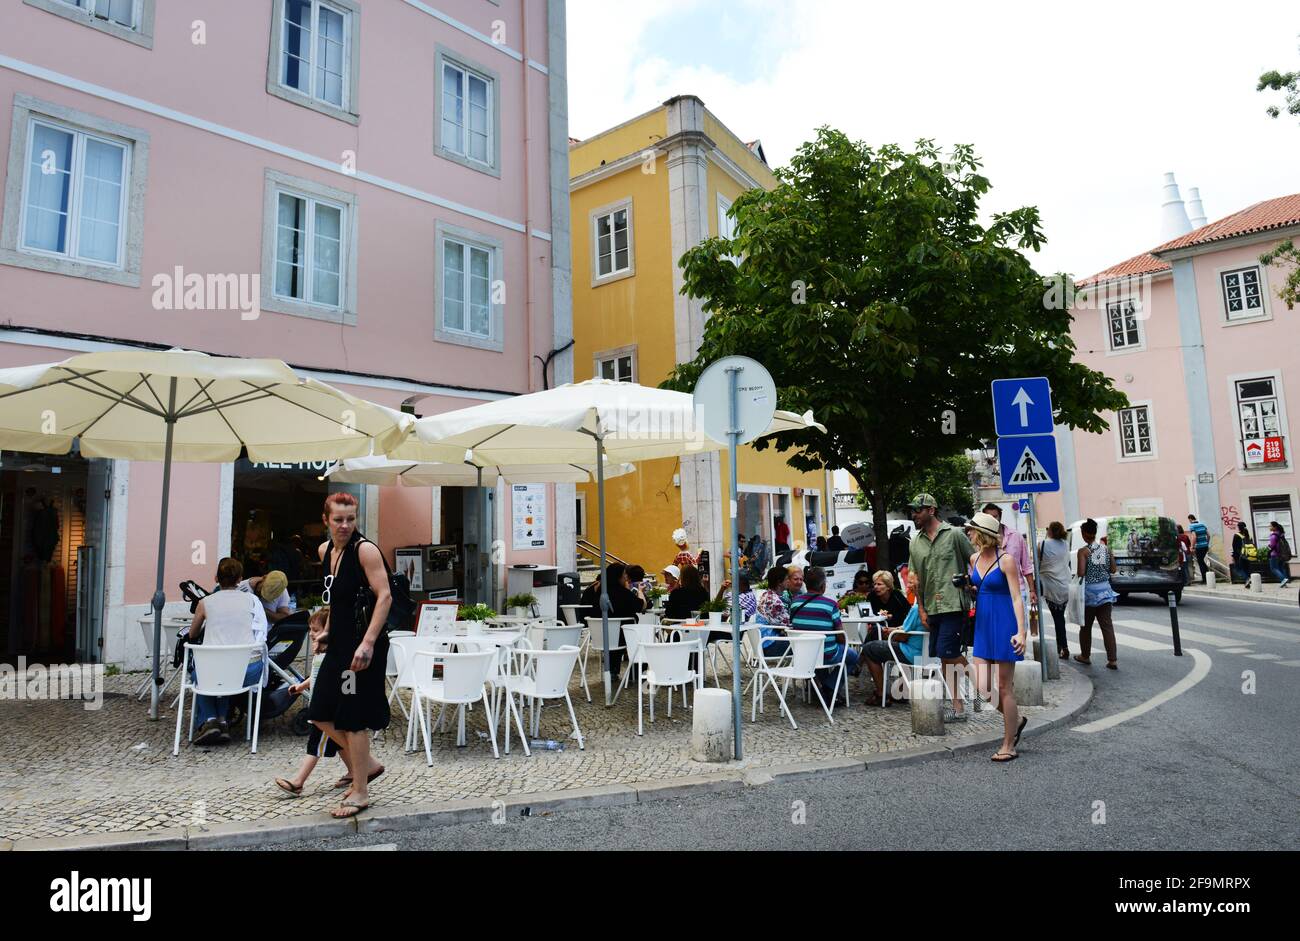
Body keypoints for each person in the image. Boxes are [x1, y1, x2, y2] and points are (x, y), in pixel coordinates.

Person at [310, 493, 391, 820]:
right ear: (326, 520)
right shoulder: (325, 551)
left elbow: (383, 597)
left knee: (352, 716)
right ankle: (367, 766)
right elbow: (339, 601)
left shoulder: (365, 550)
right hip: (340, 645)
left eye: (351, 519)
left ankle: (360, 792)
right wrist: (328, 629)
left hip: (362, 650)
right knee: (319, 712)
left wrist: (368, 643)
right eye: (338, 519)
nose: (345, 526)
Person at [274, 609, 362, 796]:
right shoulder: (320, 654)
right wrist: (300, 687)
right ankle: (356, 771)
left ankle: (298, 783)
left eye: (316, 630)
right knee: (339, 744)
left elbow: (345, 682)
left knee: (315, 746)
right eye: (310, 629)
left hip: (325, 712)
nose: (311, 633)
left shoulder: (332, 656)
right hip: (321, 707)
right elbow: (315, 677)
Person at [965, 512, 1028, 762]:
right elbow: (980, 588)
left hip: (1004, 625)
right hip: (982, 625)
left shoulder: (1007, 561)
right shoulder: (973, 558)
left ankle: (1008, 743)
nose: (968, 533)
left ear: (983, 534)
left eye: (971, 529)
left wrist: (1021, 631)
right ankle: (1018, 720)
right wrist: (969, 588)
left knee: (1004, 688)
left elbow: (1016, 597)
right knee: (982, 687)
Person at [186, 557, 269, 746]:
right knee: (224, 671)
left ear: (216, 578)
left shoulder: (205, 602)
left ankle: (210, 720)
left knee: (201, 672)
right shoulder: (252, 600)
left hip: (215, 671)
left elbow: (193, 633)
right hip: (247, 670)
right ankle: (221, 721)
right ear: (240, 579)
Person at [909, 492, 976, 721]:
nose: (914, 514)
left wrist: (973, 583)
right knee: (945, 657)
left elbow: (975, 561)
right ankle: (958, 708)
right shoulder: (915, 542)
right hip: (931, 606)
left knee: (948, 651)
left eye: (918, 510)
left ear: (931, 510)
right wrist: (921, 609)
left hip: (953, 603)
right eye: (913, 510)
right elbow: (914, 579)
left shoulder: (955, 534)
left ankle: (985, 688)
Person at [788, 566, 858, 705]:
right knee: (852, 656)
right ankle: (829, 687)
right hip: (827, 654)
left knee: (817, 652)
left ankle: (822, 687)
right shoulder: (831, 605)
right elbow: (840, 635)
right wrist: (844, 643)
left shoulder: (795, 603)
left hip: (804, 655)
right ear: (823, 585)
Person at [1075, 518, 1118, 669]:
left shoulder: (1083, 552)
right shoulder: (1106, 549)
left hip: (1090, 594)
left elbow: (1081, 573)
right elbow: (1113, 569)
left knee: (1085, 626)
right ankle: (1112, 660)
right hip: (1106, 592)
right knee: (1107, 626)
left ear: (1084, 534)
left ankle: (1085, 656)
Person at [982, 503, 1036, 624]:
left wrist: (1032, 590)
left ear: (1000, 517)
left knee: (1020, 629)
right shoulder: (981, 539)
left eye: (995, 516)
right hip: (993, 592)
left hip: (1018, 590)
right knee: (1000, 631)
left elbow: (1026, 565)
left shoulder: (1016, 536)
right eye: (989, 517)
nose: (992, 520)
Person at [1038, 521, 1073, 660]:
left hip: (1051, 585)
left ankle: (1063, 647)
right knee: (1059, 617)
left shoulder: (1043, 544)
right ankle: (1062, 646)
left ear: (1050, 531)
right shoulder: (1065, 544)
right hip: (1065, 584)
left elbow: (1036, 561)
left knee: (1057, 618)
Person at [755, 566, 791, 657]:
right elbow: (788, 627)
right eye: (787, 579)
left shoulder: (766, 594)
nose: (789, 581)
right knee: (804, 645)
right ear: (779, 582)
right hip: (770, 645)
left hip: (763, 643)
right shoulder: (775, 602)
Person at [1267, 521, 1292, 588]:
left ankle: (1284, 579)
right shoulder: (1281, 534)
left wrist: (1268, 546)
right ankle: (1284, 582)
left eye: (1270, 526)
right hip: (1281, 554)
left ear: (1274, 527)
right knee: (1281, 568)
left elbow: (1272, 546)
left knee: (1273, 568)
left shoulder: (1273, 536)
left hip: (1274, 554)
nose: (1269, 527)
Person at [1188, 514, 1210, 583]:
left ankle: (1205, 579)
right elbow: (1208, 535)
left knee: (1201, 562)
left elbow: (1194, 537)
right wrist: (1207, 543)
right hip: (1205, 546)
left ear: (1190, 519)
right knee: (1202, 561)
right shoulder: (1202, 524)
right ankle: (1208, 577)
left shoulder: (1192, 526)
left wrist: (1192, 546)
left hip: (1199, 547)